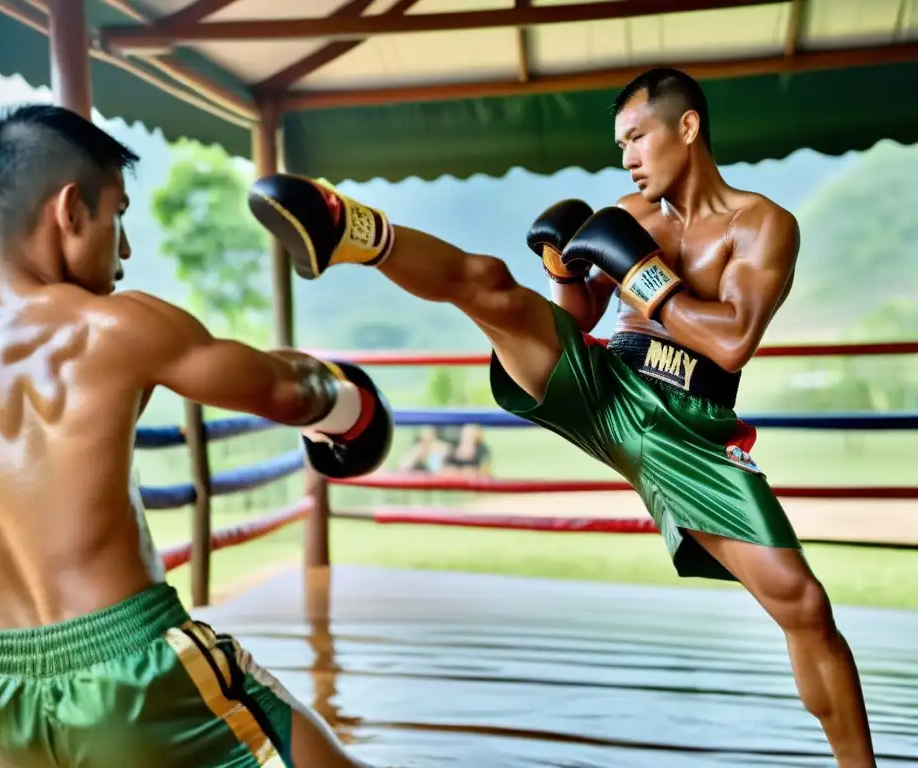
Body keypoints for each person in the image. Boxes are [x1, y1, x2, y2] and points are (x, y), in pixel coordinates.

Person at [247, 68, 875, 766]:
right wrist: (564, 273)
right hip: (602, 383)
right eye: (621, 145)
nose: (629, 157)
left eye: (638, 137)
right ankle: (348, 228)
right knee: (489, 287)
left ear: (688, 127)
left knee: (804, 607)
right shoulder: (627, 217)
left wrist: (643, 276)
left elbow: (732, 339)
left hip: (692, 427)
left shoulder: (761, 225)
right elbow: (578, 320)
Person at [0, 104, 393, 768]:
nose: (124, 249)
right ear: (70, 209)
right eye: (118, 215)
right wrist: (355, 409)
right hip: (134, 672)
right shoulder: (109, 328)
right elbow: (287, 390)